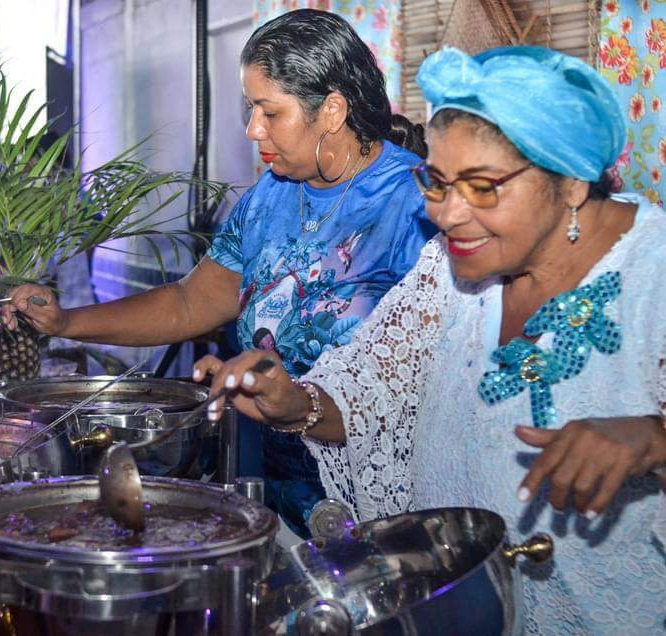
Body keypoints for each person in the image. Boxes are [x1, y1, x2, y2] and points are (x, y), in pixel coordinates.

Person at [198, 45, 666, 633]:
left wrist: (652, 439)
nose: (446, 215)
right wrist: (294, 402)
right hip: (462, 609)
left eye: (482, 187)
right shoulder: (450, 268)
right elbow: (368, 388)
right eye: (438, 182)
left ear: (571, 183)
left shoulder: (653, 280)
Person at [4, 9, 436, 537]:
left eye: (269, 112)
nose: (253, 129)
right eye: (249, 108)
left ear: (332, 111)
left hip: (373, 506)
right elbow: (191, 303)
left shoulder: (418, 205)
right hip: (265, 488)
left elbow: (429, 385)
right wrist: (66, 322)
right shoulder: (272, 194)